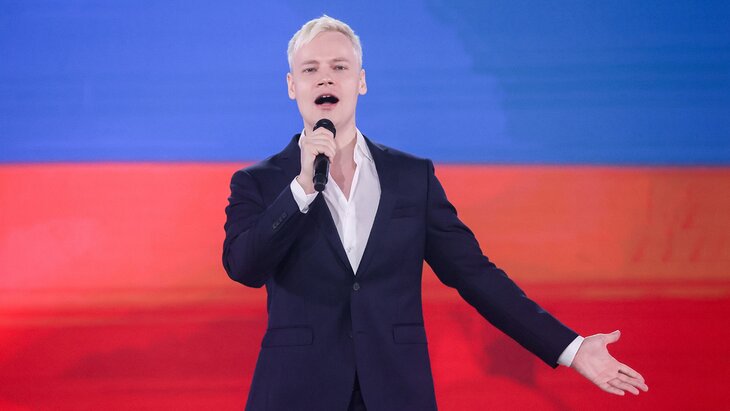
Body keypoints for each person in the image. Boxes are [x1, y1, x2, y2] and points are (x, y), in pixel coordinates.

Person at [222, 15, 648, 411]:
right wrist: (300, 188)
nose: (325, 77)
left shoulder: (412, 177)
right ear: (292, 85)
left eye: (339, 66)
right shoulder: (259, 182)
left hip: (396, 391)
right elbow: (244, 267)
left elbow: (474, 274)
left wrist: (571, 348)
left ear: (361, 81)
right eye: (310, 69)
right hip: (296, 392)